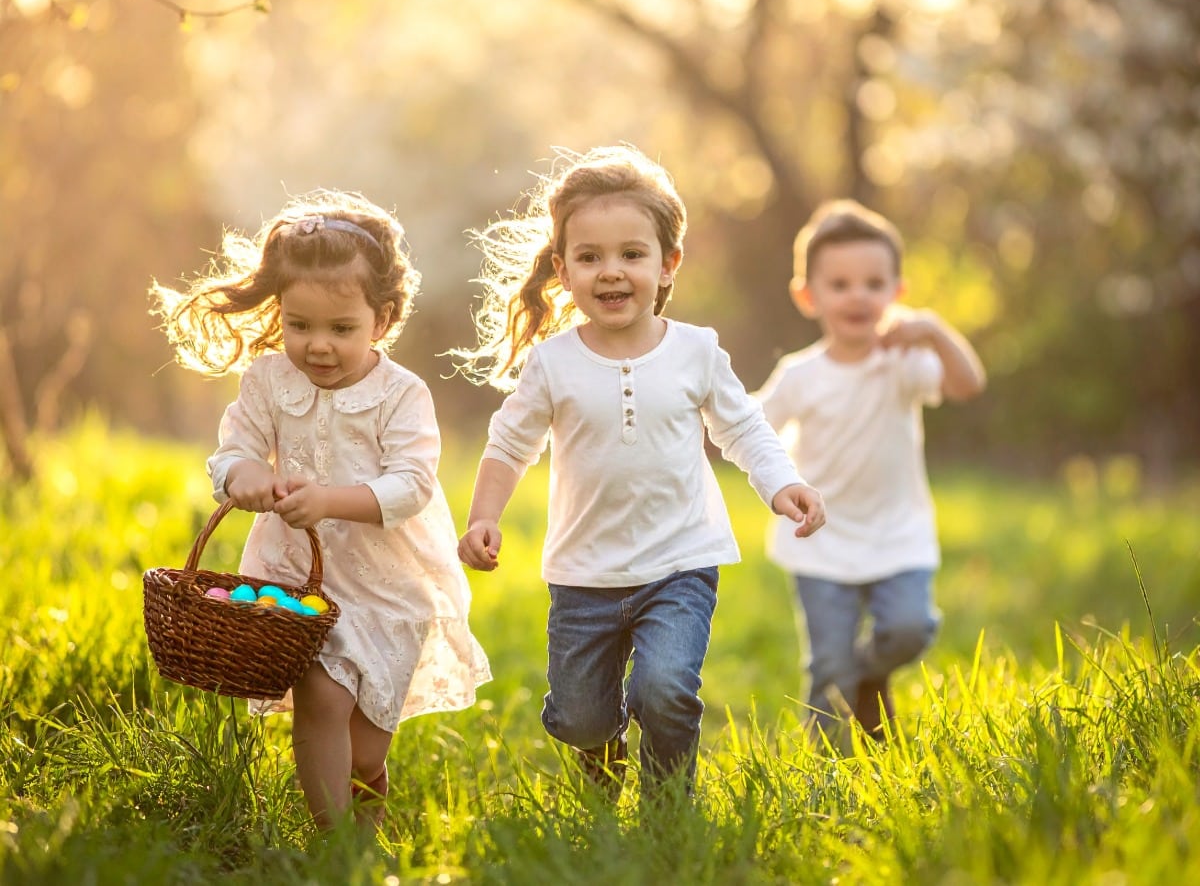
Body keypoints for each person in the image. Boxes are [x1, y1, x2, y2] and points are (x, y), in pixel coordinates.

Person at [450, 145, 825, 801]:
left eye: (631, 254)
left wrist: (780, 483)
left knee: (665, 688)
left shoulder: (696, 352)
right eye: (590, 257)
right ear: (563, 271)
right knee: (580, 717)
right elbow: (510, 444)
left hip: (679, 562)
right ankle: (602, 766)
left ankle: (666, 803)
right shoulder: (553, 365)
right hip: (583, 573)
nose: (611, 271)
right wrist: (484, 516)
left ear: (668, 263)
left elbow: (740, 427)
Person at [150, 189, 491, 832]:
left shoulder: (402, 394)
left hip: (389, 582)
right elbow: (232, 453)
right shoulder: (267, 380)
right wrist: (244, 475)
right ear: (280, 312)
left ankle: (366, 819)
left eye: (342, 329)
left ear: (383, 319)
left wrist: (330, 500)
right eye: (300, 325)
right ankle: (334, 845)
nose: (319, 346)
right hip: (299, 580)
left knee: (365, 749)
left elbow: (412, 485)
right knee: (321, 699)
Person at [755, 198, 986, 744]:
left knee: (911, 628)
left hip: (897, 534)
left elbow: (967, 384)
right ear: (807, 296)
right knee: (828, 665)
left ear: (896, 292)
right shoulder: (800, 375)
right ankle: (832, 770)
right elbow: (750, 427)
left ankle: (871, 673)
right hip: (821, 541)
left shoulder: (902, 362)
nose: (858, 295)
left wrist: (932, 331)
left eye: (873, 282)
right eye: (839, 284)